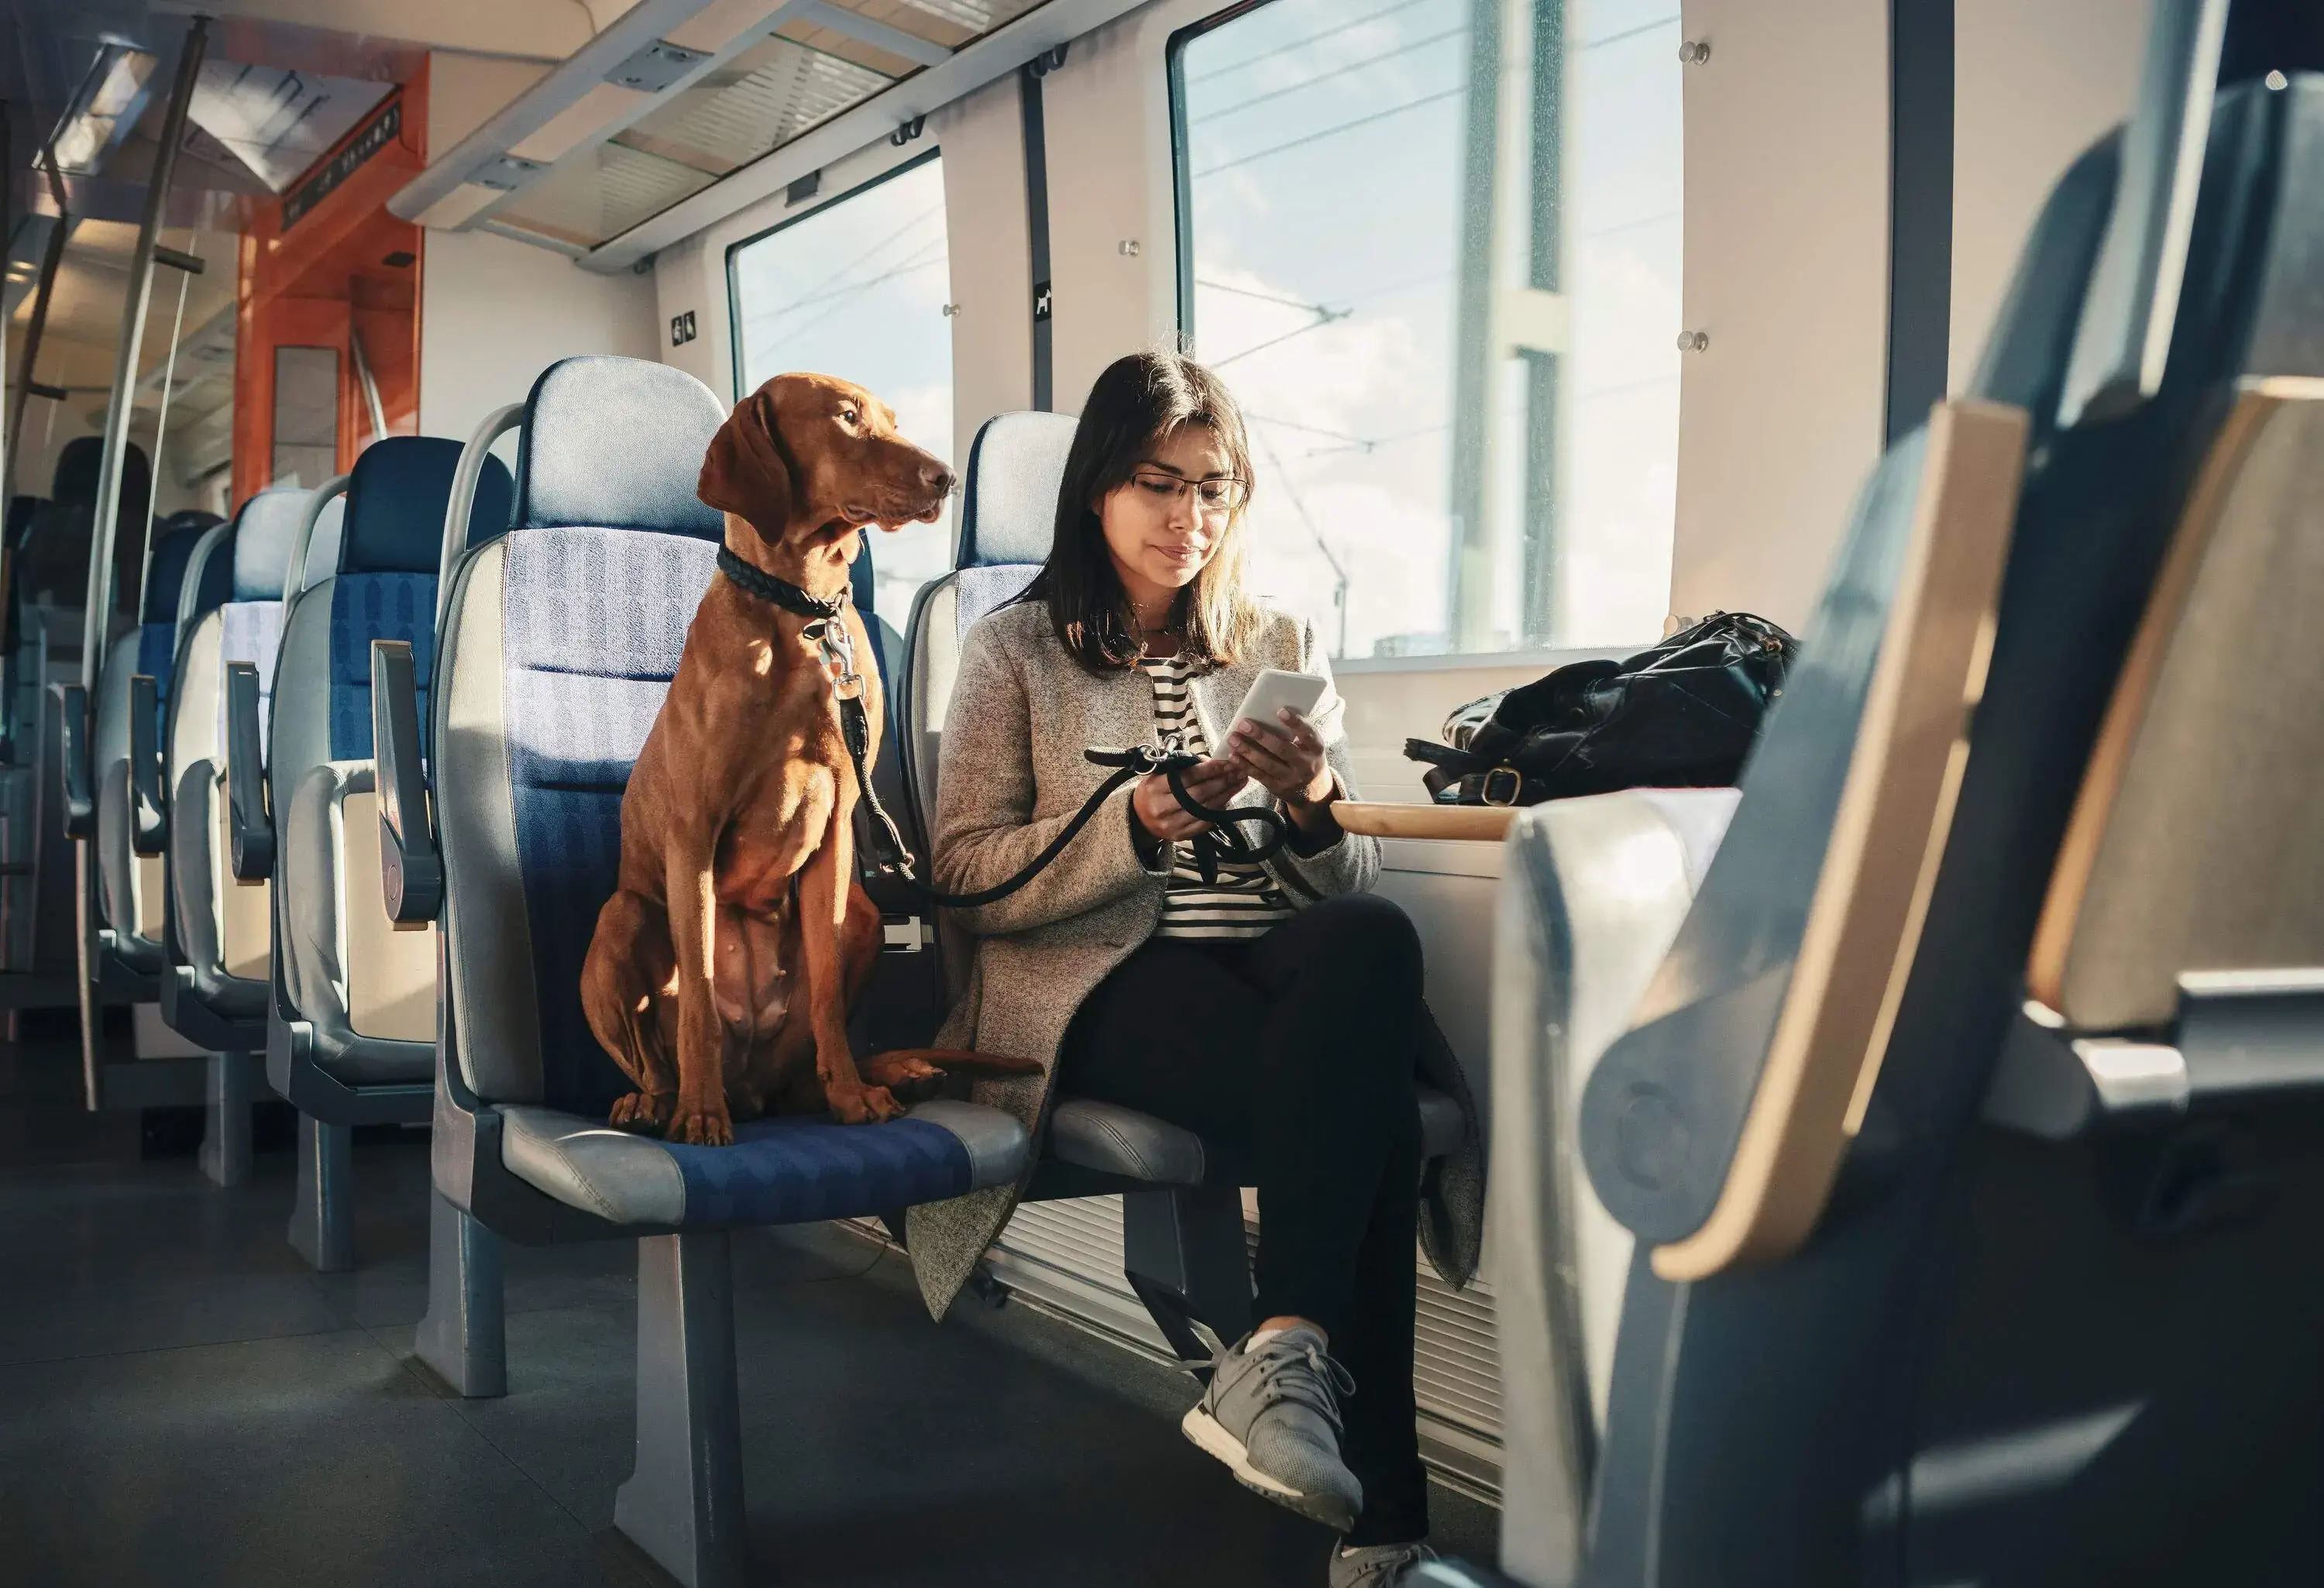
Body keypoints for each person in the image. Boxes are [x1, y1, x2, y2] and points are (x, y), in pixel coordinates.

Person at [912, 350, 1480, 1587]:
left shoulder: (1273, 638)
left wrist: (1316, 800)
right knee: (1369, 1108)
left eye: (1215, 489)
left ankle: (1276, 1349)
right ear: (1099, 489)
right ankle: (1387, 1527)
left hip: (1266, 977)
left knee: (1374, 944)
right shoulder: (1012, 649)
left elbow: (1354, 877)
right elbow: (964, 873)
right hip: (1101, 986)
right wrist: (1138, 823)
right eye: (1159, 485)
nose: (1191, 517)